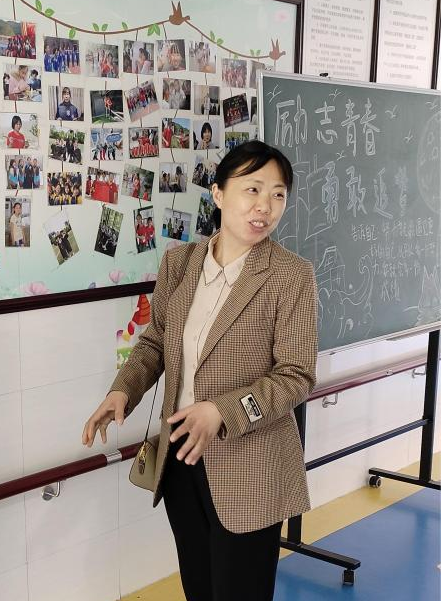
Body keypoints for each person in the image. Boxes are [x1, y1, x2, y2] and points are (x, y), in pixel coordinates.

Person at [82, 140, 316, 601]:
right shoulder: (180, 263)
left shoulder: (291, 276)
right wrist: (123, 391)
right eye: (252, 190)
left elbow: (296, 376)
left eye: (278, 194)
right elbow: (156, 341)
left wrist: (222, 412)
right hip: (182, 461)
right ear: (219, 194)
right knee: (199, 588)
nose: (265, 207)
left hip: (250, 468)